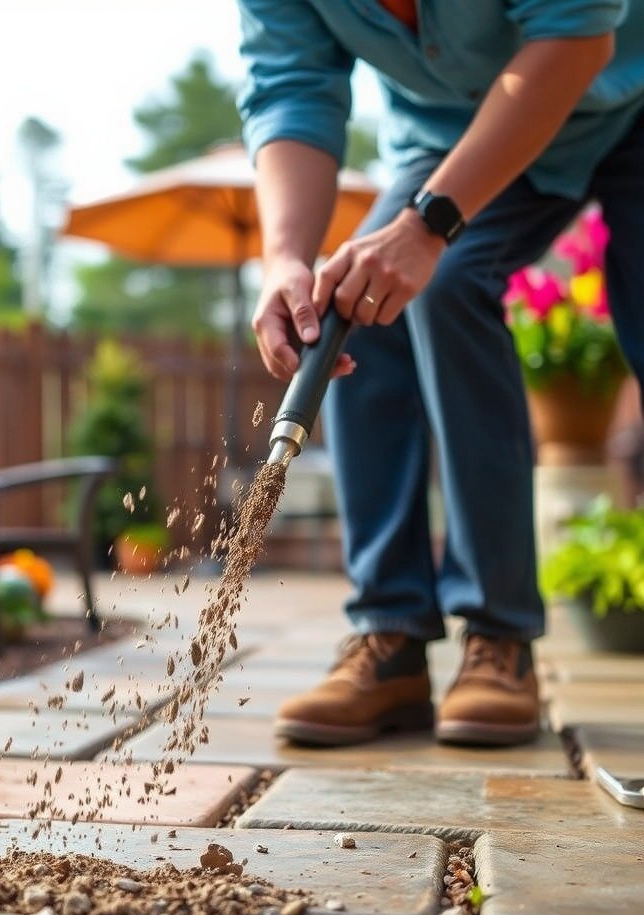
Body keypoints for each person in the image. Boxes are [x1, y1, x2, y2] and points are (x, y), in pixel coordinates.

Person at [236, 1, 644, 747]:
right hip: (456, 131)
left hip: (628, 90)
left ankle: (499, 630)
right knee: (358, 300)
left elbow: (577, 35)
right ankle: (392, 633)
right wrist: (285, 255)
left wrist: (427, 226)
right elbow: (291, 84)